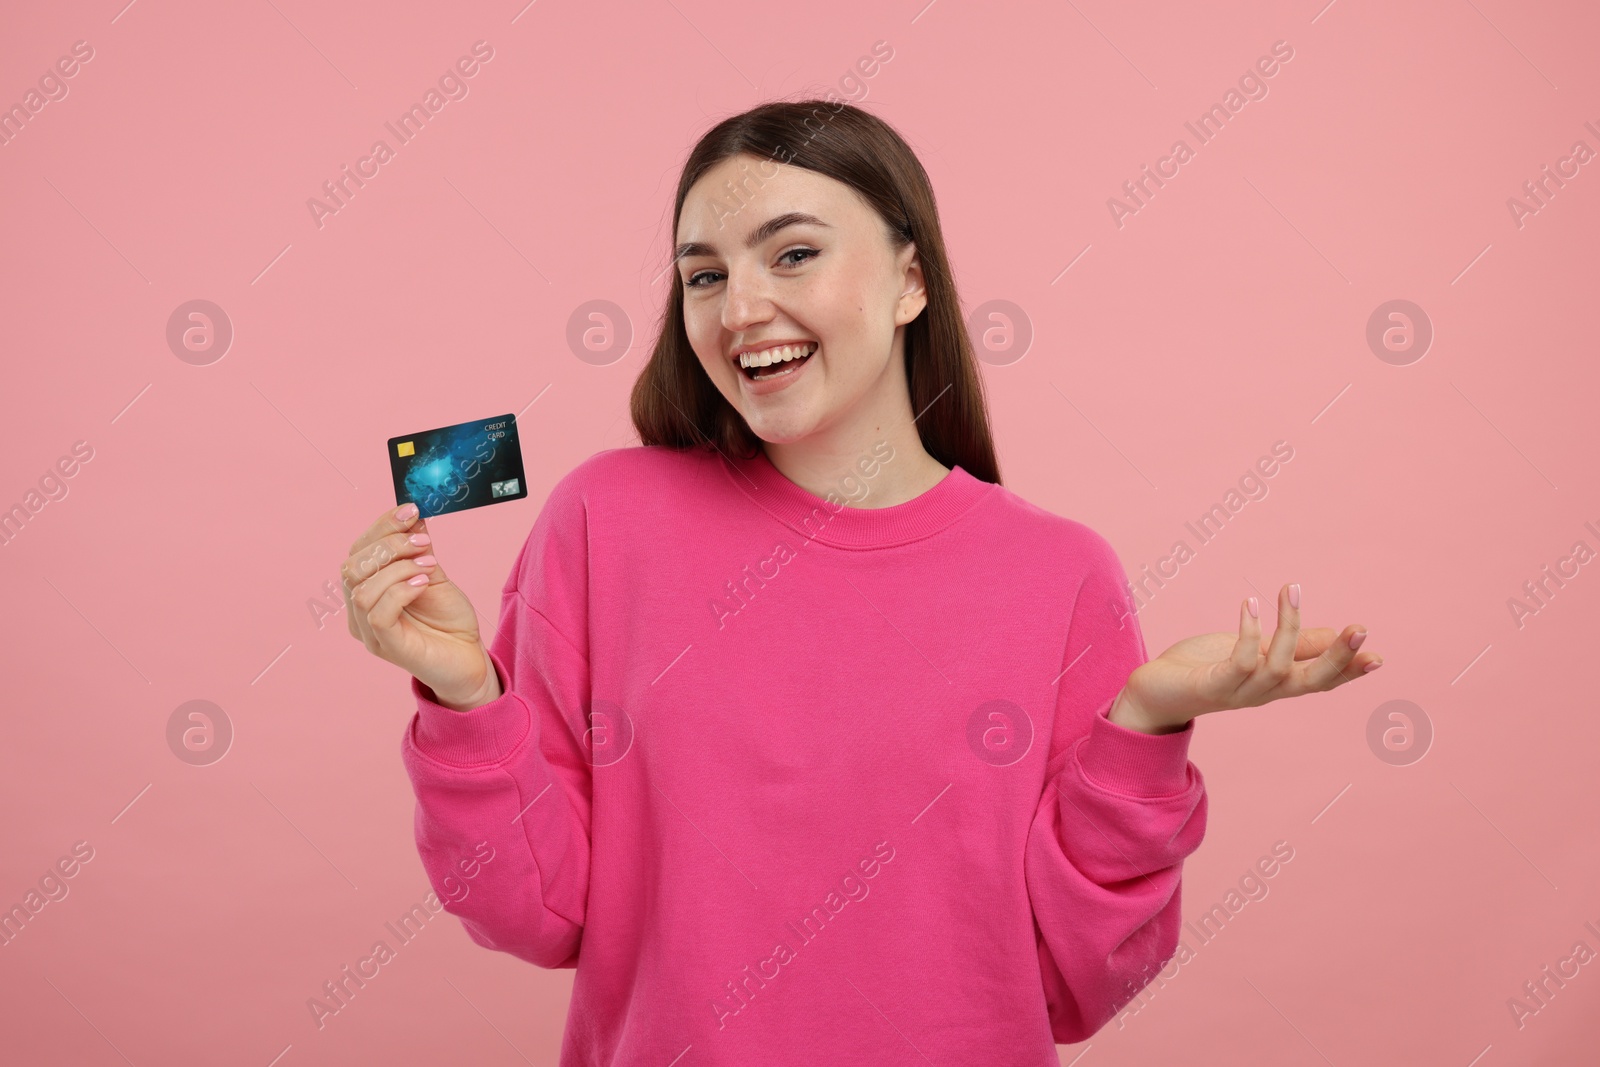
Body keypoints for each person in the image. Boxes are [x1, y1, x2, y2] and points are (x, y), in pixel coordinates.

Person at [340, 99, 1382, 1065]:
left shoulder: (1058, 574)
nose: (740, 306)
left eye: (792, 253)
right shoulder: (603, 522)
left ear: (910, 282)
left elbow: (1081, 984)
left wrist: (1144, 725)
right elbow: (535, 910)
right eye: (702, 275)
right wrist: (467, 698)